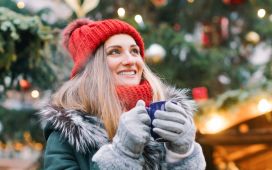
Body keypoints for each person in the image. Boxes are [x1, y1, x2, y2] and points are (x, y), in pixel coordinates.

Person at [39, 18, 206, 170]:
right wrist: (121, 155)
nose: (130, 60)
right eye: (115, 52)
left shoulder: (164, 116)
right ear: (93, 67)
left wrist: (183, 154)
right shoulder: (68, 133)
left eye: (134, 51)